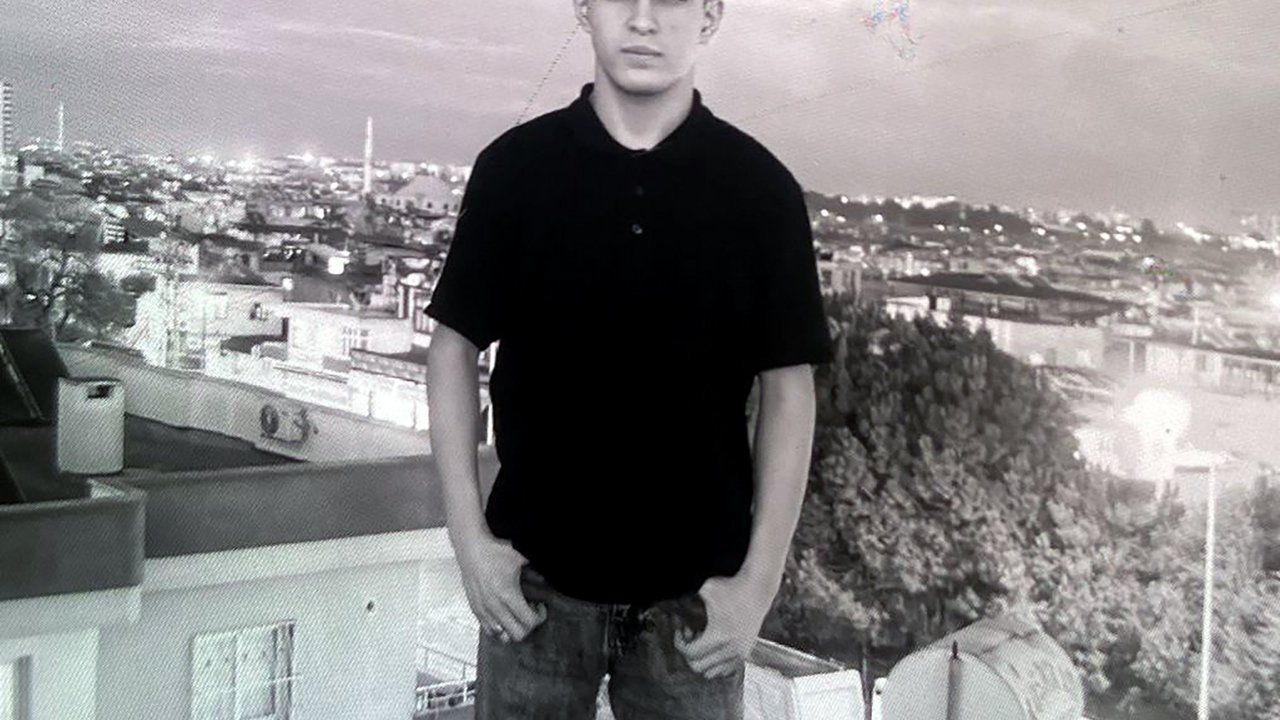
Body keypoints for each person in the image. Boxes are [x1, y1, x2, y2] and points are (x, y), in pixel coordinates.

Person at [424, 0, 834, 717]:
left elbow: (789, 389)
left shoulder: (760, 190)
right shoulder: (515, 169)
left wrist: (758, 583)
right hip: (531, 590)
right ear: (584, 8)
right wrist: (471, 544)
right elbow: (452, 348)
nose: (644, 19)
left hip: (695, 607)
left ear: (710, 15)